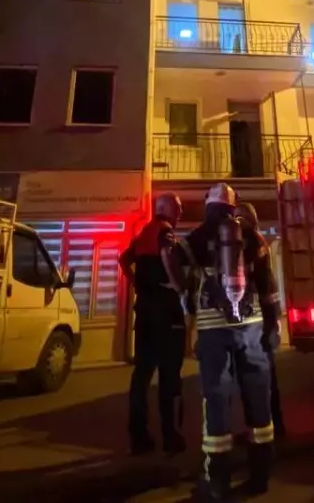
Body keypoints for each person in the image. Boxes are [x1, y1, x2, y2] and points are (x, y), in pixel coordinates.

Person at [173, 183, 280, 501]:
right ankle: (260, 477)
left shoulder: (197, 236)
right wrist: (272, 323)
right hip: (252, 328)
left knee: (217, 402)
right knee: (259, 400)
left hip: (213, 330)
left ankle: (216, 481)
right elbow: (268, 286)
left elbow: (172, 260)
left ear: (209, 205)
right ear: (234, 205)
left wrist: (186, 298)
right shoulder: (253, 236)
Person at [118, 193, 188, 456]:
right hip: (166, 312)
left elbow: (123, 260)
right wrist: (180, 288)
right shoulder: (166, 233)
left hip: (144, 311)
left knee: (142, 375)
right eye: (178, 210)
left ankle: (139, 437)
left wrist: (138, 286)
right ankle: (171, 436)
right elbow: (169, 259)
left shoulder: (145, 233)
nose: (180, 214)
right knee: (170, 376)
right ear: (167, 210)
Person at [235, 201, 285, 439]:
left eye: (241, 217)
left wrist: (272, 319)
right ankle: (268, 426)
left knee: (257, 378)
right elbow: (267, 284)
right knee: (261, 377)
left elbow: (263, 284)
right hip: (259, 319)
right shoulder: (256, 241)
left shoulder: (249, 241)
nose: (237, 221)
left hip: (255, 322)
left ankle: (265, 428)